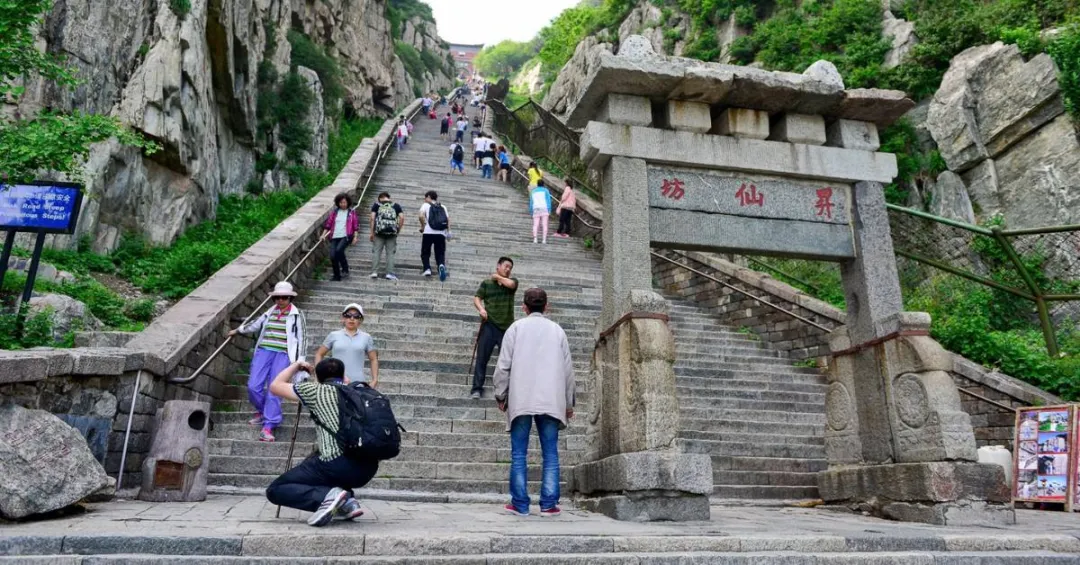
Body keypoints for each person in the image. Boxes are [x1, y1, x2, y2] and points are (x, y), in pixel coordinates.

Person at [494, 288, 574, 517]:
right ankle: (548, 504)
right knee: (550, 453)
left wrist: (501, 395)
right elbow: (568, 372)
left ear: (524, 307)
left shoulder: (515, 328)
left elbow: (503, 367)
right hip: (551, 399)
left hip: (521, 397)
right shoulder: (557, 331)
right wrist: (568, 404)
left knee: (519, 453)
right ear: (546, 306)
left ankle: (520, 503)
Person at [265, 358, 375, 527]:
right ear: (343, 374)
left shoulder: (316, 391)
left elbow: (275, 385)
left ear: (319, 378)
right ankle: (348, 502)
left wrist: (296, 366)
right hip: (367, 468)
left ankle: (329, 497)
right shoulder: (359, 392)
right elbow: (344, 381)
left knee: (276, 489)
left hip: (337, 464)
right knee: (315, 459)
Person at [229, 281, 306, 443]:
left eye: (284, 297)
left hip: (284, 354)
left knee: (274, 389)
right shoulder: (270, 311)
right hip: (264, 351)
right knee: (253, 386)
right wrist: (238, 331)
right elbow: (255, 324)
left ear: (290, 298)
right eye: (277, 297)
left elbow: (302, 339)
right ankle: (263, 411)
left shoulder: (297, 315)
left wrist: (300, 362)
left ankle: (269, 426)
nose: (280, 300)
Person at [471, 257, 518, 399]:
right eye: (506, 266)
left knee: (507, 360)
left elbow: (511, 284)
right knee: (482, 358)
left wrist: (497, 276)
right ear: (498, 265)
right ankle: (477, 388)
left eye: (510, 267)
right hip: (489, 325)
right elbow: (477, 297)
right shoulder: (486, 284)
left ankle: (506, 390)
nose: (508, 269)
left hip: (507, 328)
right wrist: (481, 309)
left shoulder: (513, 282)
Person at [315, 303, 378, 387]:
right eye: (348, 315)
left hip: (358, 384)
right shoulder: (333, 335)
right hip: (335, 383)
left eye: (356, 316)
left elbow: (373, 359)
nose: (352, 319)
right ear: (343, 318)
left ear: (360, 320)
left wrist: (374, 380)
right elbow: (319, 354)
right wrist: (317, 378)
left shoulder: (366, 337)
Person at [321, 193, 359, 281]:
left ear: (348, 203)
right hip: (334, 236)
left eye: (344, 202)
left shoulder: (351, 213)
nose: (342, 204)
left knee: (339, 250)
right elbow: (328, 225)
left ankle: (345, 268)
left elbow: (355, 226)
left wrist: (355, 237)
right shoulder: (335, 212)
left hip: (346, 236)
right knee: (332, 256)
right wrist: (323, 235)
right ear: (338, 203)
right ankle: (336, 276)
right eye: (341, 202)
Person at [370, 191, 405, 280]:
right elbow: (402, 217)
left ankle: (374, 272)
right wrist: (398, 230)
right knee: (390, 253)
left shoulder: (377, 205)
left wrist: (372, 232)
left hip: (379, 232)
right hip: (392, 233)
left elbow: (372, 218)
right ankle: (389, 273)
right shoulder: (396, 205)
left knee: (377, 252)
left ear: (380, 198)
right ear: (388, 197)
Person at [419, 190, 451, 281]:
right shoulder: (443, 206)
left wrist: (423, 226)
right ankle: (441, 264)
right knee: (440, 252)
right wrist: (449, 231)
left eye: (425, 198)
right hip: (441, 233)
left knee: (425, 252)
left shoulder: (425, 205)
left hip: (428, 232)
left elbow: (421, 216)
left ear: (429, 197)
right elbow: (448, 220)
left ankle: (427, 269)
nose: (424, 200)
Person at [529, 179, 553, 245]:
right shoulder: (546, 191)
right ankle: (544, 240)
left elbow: (531, 202)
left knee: (535, 224)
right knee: (544, 224)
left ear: (537, 184)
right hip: (544, 208)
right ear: (543, 184)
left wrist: (531, 210)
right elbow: (548, 201)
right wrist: (549, 210)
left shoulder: (533, 191)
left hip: (536, 208)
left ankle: (535, 239)